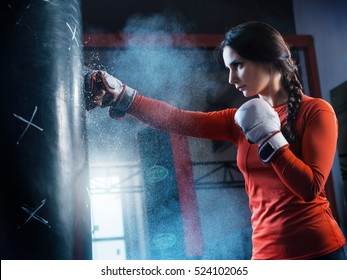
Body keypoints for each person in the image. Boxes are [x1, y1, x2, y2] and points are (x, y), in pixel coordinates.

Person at [84, 21, 346, 260]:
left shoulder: (315, 111)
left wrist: (271, 139)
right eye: (228, 68)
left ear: (266, 60)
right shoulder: (238, 119)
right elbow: (178, 120)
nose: (231, 79)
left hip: (319, 252)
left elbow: (310, 188)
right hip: (266, 255)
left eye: (238, 65)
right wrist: (124, 96)